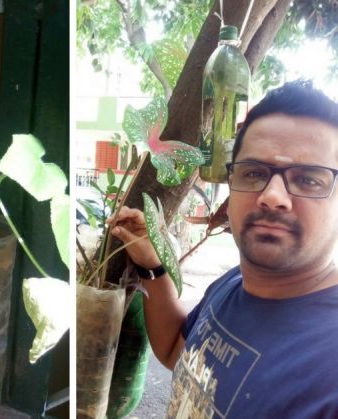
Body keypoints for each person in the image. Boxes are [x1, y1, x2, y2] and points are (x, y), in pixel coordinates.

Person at [108, 80, 338, 418]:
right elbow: (175, 350)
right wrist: (152, 265)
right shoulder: (233, 283)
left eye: (308, 179)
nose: (273, 196)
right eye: (254, 172)